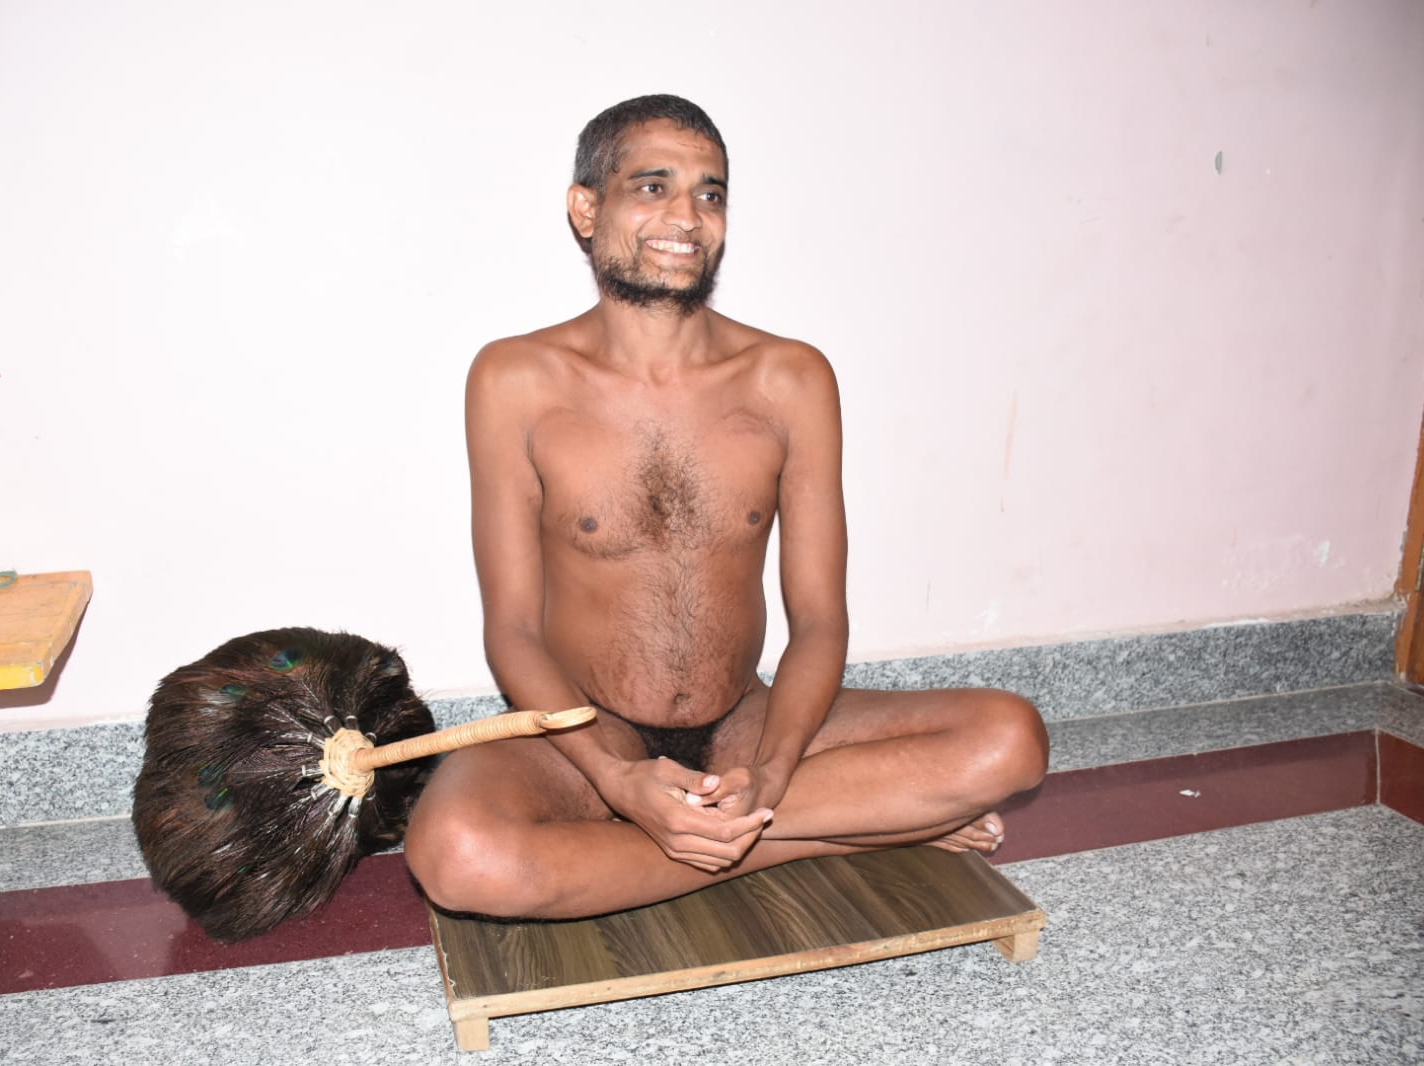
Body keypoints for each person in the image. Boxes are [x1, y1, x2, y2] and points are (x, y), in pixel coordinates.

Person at [404, 95, 1048, 919]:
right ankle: (824, 834)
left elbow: (819, 621)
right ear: (586, 210)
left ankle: (719, 827)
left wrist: (773, 773)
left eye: (709, 194)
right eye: (652, 187)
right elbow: (513, 631)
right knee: (458, 857)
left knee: (1009, 740)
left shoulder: (789, 377)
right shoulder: (514, 379)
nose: (687, 217)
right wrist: (617, 778)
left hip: (746, 723)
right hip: (582, 733)